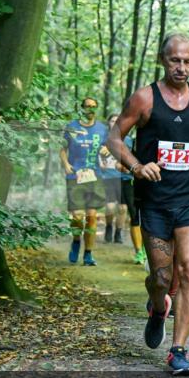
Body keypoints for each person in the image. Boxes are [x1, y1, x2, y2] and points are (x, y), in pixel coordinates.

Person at [108, 32, 189, 375]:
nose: (181, 67)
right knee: (161, 278)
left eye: (187, 61)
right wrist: (136, 166)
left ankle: (178, 350)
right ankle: (157, 307)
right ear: (162, 60)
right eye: (175, 60)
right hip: (154, 201)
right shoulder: (144, 98)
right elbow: (114, 138)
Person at [61, 96, 109, 266]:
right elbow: (63, 148)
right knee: (77, 216)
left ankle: (88, 254)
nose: (90, 109)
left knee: (91, 217)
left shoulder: (102, 129)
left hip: (95, 176)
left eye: (94, 106)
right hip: (75, 176)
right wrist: (66, 164)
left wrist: (106, 150)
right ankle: (76, 241)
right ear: (81, 108)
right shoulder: (72, 126)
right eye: (87, 106)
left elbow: (108, 147)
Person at [120, 130, 146, 264]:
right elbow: (122, 160)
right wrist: (125, 166)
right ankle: (139, 251)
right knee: (135, 215)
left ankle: (147, 249)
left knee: (149, 216)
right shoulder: (132, 140)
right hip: (131, 181)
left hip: (153, 182)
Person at [100, 114, 126, 244]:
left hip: (123, 178)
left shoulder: (127, 139)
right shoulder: (102, 138)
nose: (115, 123)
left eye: (117, 121)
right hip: (108, 177)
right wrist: (99, 164)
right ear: (108, 123)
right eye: (112, 121)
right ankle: (109, 227)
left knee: (123, 208)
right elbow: (95, 155)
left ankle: (118, 232)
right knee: (110, 207)